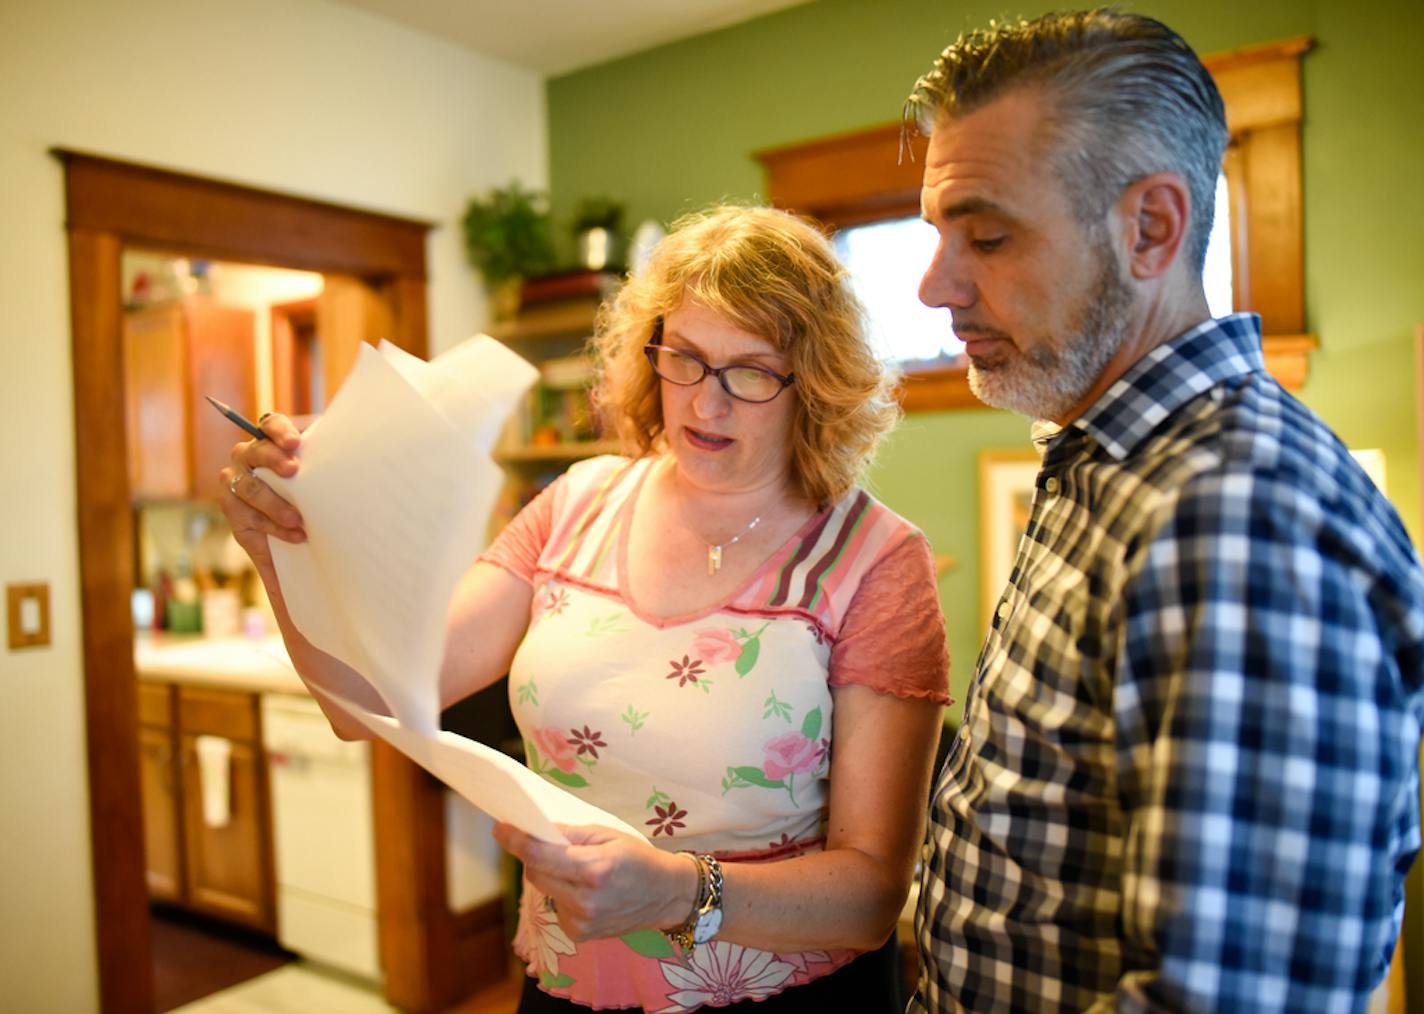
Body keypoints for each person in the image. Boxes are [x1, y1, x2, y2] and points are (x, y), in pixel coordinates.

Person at [221, 204, 950, 1012]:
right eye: (687, 359)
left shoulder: (876, 560)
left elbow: (873, 896)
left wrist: (676, 893)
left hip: (780, 999)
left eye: (750, 372)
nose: (707, 405)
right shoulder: (575, 502)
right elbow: (368, 702)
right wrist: (280, 546)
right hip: (567, 985)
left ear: (813, 385)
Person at [904, 9, 1424, 1012]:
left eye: (987, 236)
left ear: (1149, 226)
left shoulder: (1235, 517)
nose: (936, 286)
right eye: (937, 236)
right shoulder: (1105, 461)